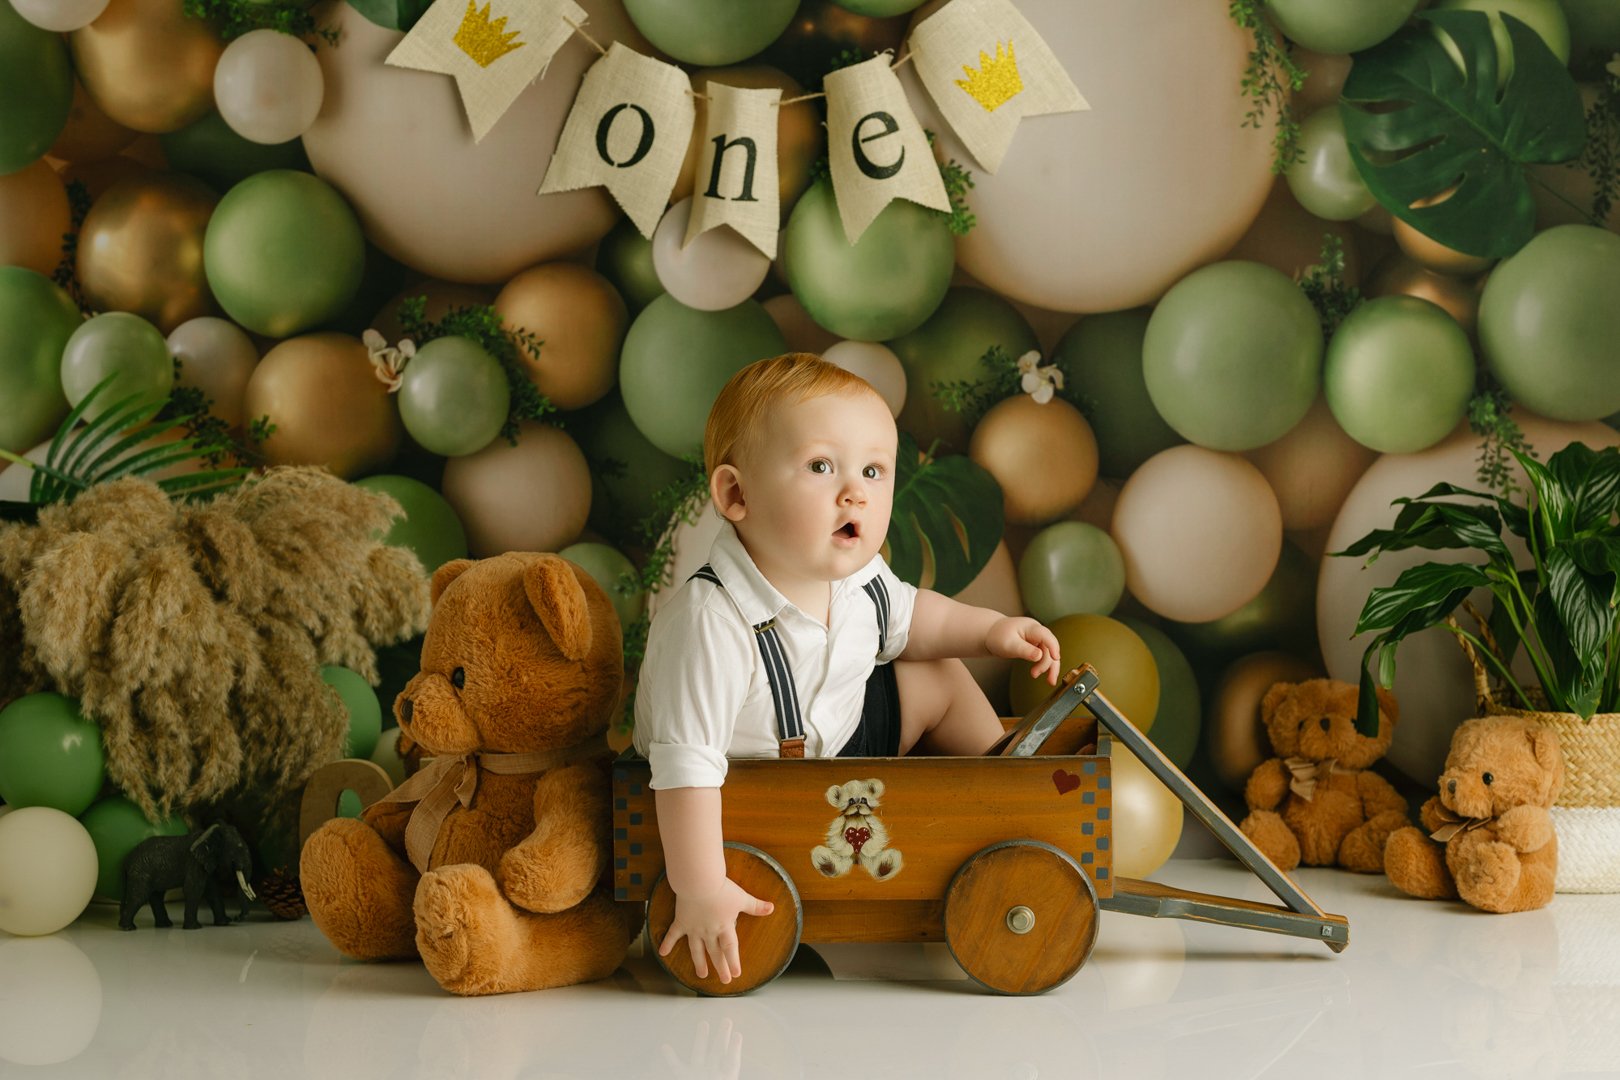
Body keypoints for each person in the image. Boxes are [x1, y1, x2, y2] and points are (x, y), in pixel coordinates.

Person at [633, 353, 1062, 985]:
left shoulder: (859, 579)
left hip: (832, 747)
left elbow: (918, 618)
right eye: (820, 465)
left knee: (935, 671)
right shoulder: (710, 622)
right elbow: (686, 769)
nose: (854, 490)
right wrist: (699, 886)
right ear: (736, 494)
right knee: (705, 772)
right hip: (750, 793)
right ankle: (999, 806)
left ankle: (1003, 795)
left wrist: (993, 631)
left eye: (873, 470)